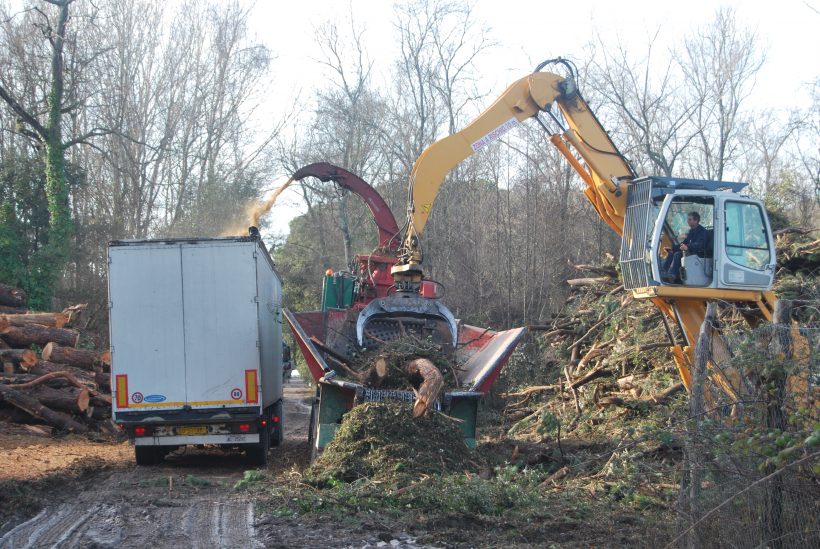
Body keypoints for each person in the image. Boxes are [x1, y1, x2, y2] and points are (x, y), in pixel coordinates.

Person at [662, 211, 707, 283]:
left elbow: (699, 244)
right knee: (672, 253)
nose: (687, 221)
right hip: (690, 251)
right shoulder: (691, 231)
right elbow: (684, 242)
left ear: (696, 220)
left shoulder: (702, 231)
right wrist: (673, 249)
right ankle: (664, 273)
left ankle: (672, 276)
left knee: (677, 254)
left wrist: (688, 247)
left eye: (690, 219)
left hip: (698, 253)